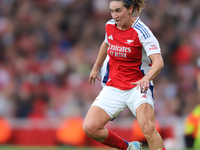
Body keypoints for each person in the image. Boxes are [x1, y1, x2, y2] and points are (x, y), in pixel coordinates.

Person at [83, 0, 166, 150]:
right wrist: (96, 67)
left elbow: (159, 61)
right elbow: (106, 43)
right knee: (90, 127)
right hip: (114, 86)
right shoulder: (109, 26)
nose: (115, 15)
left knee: (148, 128)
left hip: (137, 86)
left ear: (130, 9)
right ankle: (129, 148)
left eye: (118, 11)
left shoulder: (142, 31)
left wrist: (146, 78)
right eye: (112, 11)